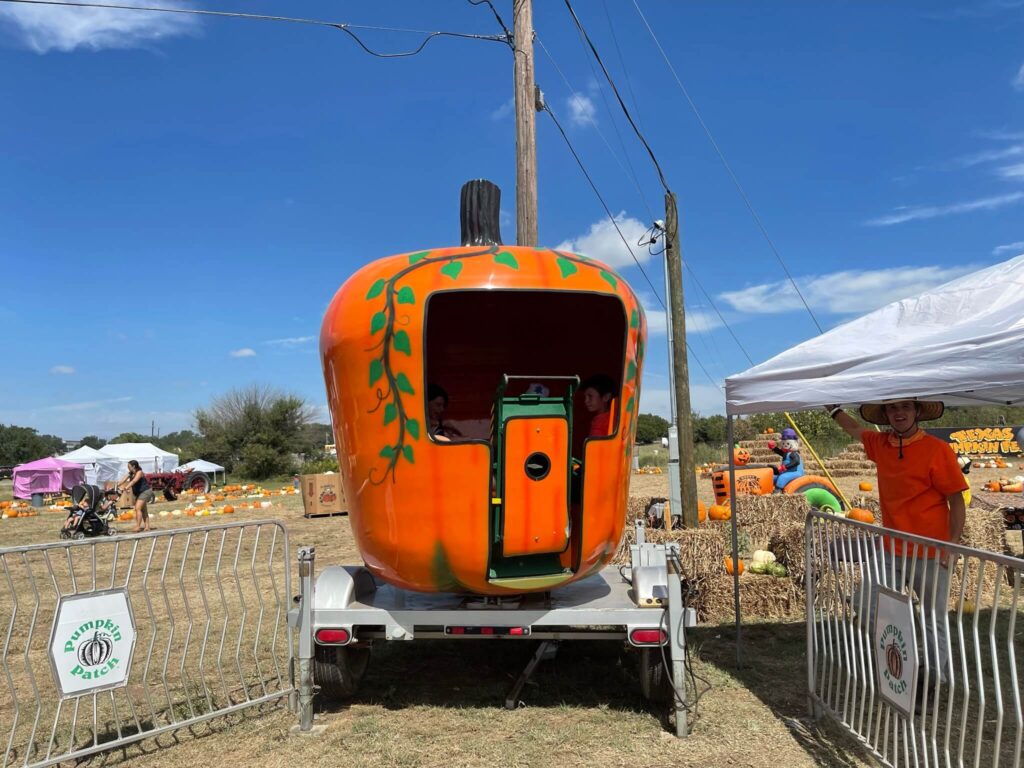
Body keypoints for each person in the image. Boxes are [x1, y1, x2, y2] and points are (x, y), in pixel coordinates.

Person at [826, 398, 967, 708]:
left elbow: (956, 500)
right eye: (892, 409)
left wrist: (952, 546)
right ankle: (903, 659)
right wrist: (833, 408)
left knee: (933, 618)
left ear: (916, 412)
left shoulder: (937, 450)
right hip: (891, 547)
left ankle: (931, 683)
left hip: (931, 550)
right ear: (886, 415)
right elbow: (854, 429)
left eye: (905, 407)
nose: (899, 413)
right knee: (865, 601)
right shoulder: (880, 444)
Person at [118, 459, 154, 533]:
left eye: (129, 466)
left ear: (134, 466)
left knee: (137, 508)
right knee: (143, 510)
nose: (128, 467)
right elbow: (123, 480)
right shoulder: (130, 473)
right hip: (139, 493)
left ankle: (137, 527)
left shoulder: (139, 472)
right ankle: (147, 527)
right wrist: (116, 486)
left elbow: (134, 481)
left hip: (145, 491)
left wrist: (125, 488)